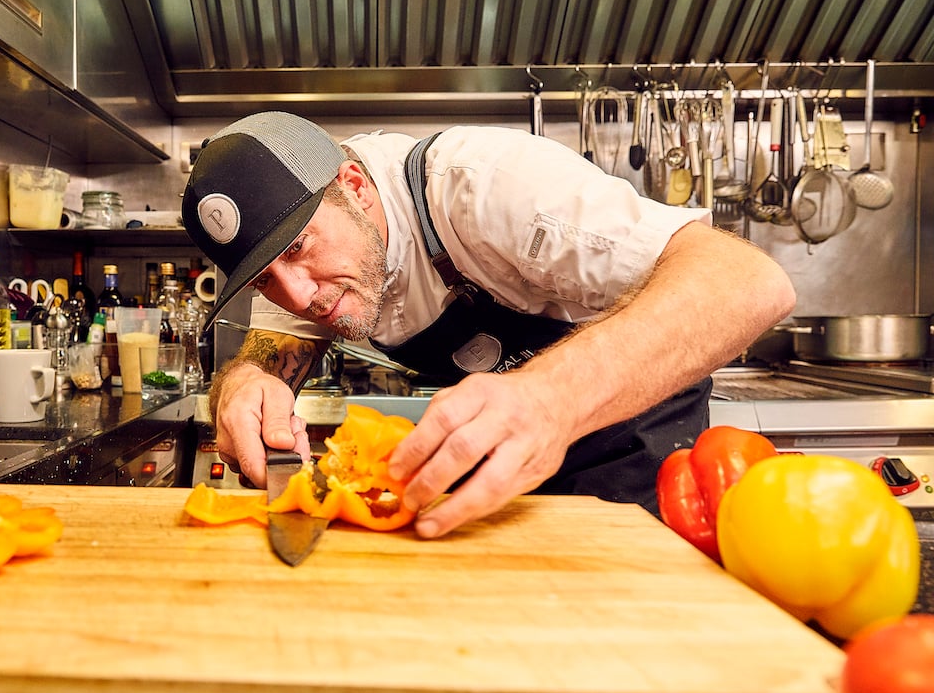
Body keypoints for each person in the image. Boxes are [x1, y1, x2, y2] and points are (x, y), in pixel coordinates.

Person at [181, 111, 795, 539]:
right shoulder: (290, 242)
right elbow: (277, 343)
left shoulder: (487, 188)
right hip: (501, 471)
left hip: (627, 449)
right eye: (264, 279)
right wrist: (244, 383)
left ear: (354, 186)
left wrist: (551, 399)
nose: (299, 295)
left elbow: (748, 283)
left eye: (298, 251)